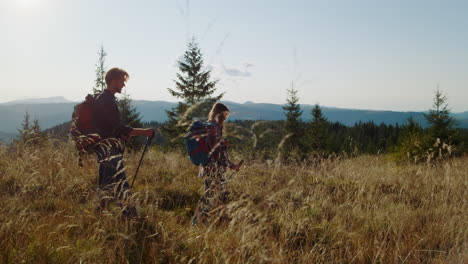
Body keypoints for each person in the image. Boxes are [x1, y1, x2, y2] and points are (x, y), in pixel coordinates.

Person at [92, 67, 154, 217]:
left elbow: (110, 127)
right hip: (109, 149)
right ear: (112, 81)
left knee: (108, 185)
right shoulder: (107, 100)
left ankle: (102, 216)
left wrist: (121, 135)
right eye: (121, 81)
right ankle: (130, 217)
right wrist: (144, 132)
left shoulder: (104, 99)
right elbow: (118, 127)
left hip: (105, 148)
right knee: (119, 185)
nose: (123, 85)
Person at [192, 102, 241, 225]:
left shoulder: (212, 125)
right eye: (224, 114)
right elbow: (216, 151)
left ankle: (206, 220)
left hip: (210, 166)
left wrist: (230, 164)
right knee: (217, 195)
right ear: (219, 114)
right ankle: (201, 221)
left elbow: (216, 150)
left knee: (211, 194)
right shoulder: (214, 127)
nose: (225, 117)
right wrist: (223, 146)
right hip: (215, 167)